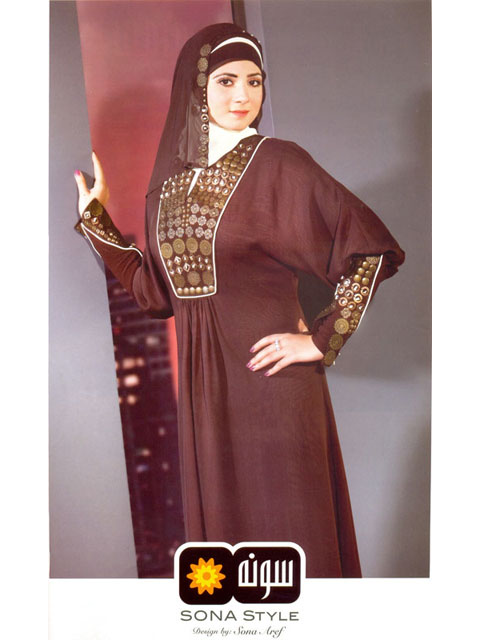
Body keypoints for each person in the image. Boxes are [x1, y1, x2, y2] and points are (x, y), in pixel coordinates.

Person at [74, 22, 404, 578]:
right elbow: (155, 294)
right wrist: (97, 222)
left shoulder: (278, 162)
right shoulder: (168, 189)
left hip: (274, 392)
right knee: (227, 562)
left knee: (292, 543)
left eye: (254, 81)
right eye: (226, 81)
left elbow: (369, 249)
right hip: (207, 400)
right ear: (196, 87)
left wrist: (320, 340)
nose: (242, 96)